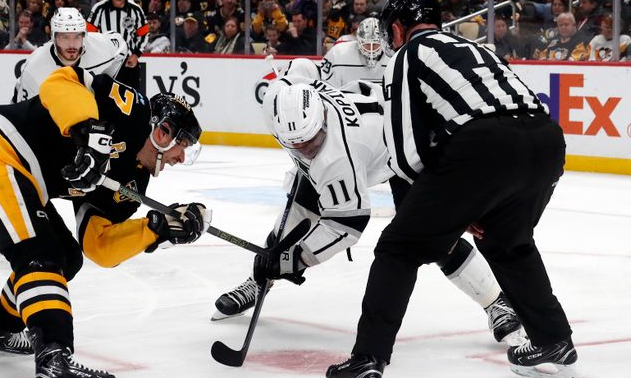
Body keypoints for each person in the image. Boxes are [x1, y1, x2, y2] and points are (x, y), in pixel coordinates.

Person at [325, 0, 579, 378]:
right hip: (546, 141)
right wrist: (468, 201)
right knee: (507, 242)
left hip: (485, 147)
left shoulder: (406, 56)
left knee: (398, 248)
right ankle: (555, 343)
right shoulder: (475, 47)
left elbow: (406, 154)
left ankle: (367, 360)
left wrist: (453, 207)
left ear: (396, 28)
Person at [0, 67, 207, 378]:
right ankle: (54, 359)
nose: (181, 158)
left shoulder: (133, 181)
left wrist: (155, 228)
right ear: (163, 130)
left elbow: (99, 245)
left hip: (13, 174)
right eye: (182, 145)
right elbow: (61, 81)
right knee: (40, 252)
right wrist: (85, 131)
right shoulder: (133, 110)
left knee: (66, 255)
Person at [214, 56, 523, 345]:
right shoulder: (282, 93)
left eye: (313, 140)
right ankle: (259, 282)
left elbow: (345, 226)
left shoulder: (337, 158)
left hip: (406, 148)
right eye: (298, 146)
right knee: (292, 225)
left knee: (435, 236)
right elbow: (304, 67)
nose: (308, 150)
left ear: (321, 119)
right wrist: (283, 253)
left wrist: (295, 259)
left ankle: (497, 303)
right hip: (374, 125)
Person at [14, 7, 128, 102]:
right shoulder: (35, 68)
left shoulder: (100, 47)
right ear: (54, 38)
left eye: (77, 36)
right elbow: (25, 116)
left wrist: (106, 85)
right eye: (65, 37)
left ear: (84, 36)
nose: (71, 45)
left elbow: (121, 45)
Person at [87, 0, 148, 89]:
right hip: (105, 63)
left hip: (128, 64)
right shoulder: (99, 9)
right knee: (103, 101)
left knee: (132, 101)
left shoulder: (136, 10)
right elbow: (89, 35)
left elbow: (144, 33)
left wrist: (136, 55)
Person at [320, 18, 389, 89]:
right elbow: (324, 84)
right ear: (358, 40)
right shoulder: (338, 53)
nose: (371, 48)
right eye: (367, 43)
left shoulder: (392, 57)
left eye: (375, 44)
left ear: (383, 42)